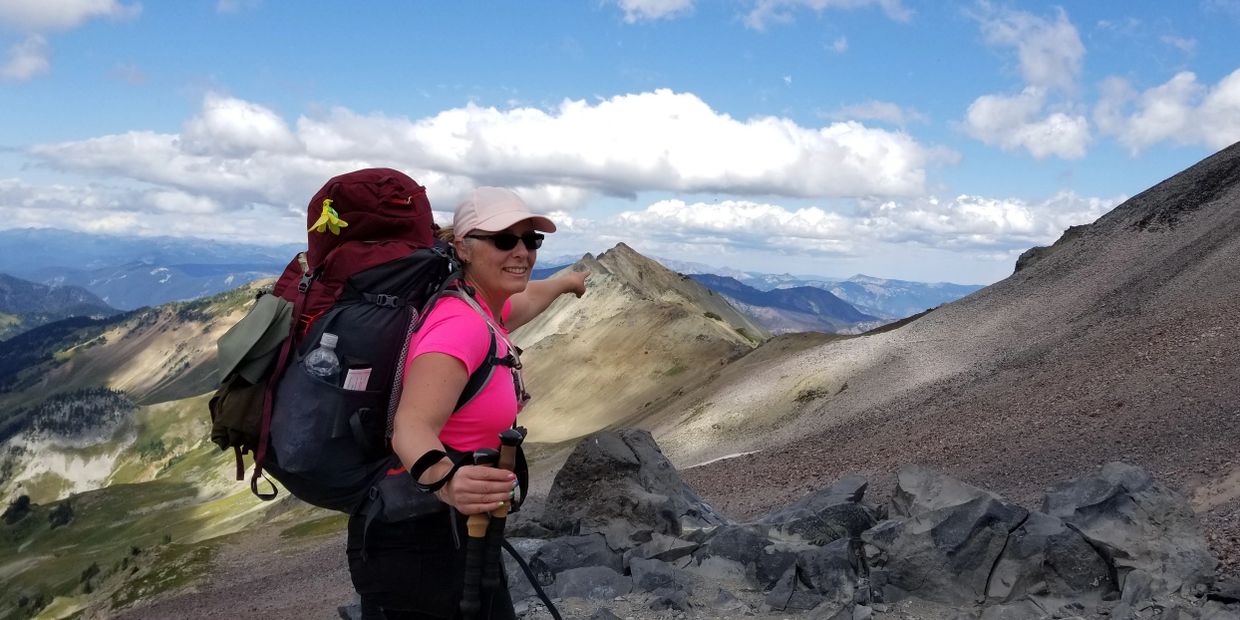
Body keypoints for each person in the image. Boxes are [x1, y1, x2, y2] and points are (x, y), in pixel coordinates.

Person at [346, 187, 588, 619]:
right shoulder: (459, 326)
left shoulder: (481, 306)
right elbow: (411, 427)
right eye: (503, 239)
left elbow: (525, 299)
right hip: (422, 542)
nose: (522, 251)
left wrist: (568, 282)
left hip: (459, 531)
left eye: (531, 239)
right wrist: (446, 480)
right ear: (463, 247)